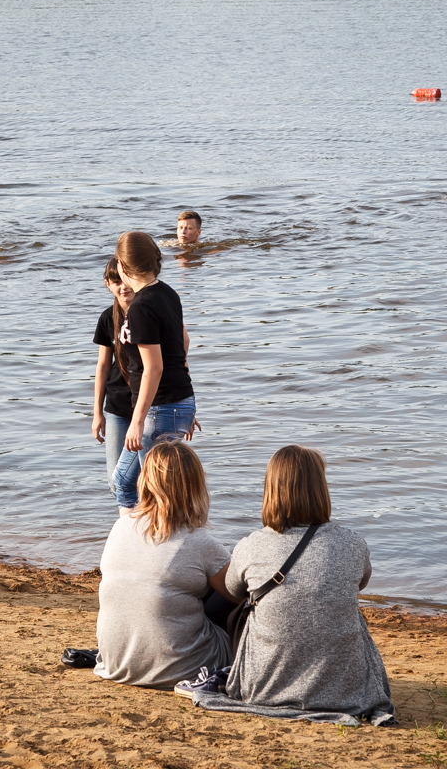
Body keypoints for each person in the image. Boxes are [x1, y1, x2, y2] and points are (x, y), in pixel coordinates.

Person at [186, 445, 395, 724]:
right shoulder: (353, 543)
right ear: (321, 489)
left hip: (263, 686)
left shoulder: (251, 545)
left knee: (244, 596)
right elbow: (359, 583)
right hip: (348, 690)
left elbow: (233, 592)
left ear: (270, 489)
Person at [94, 441, 235, 688]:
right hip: (179, 668)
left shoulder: (121, 526)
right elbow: (240, 593)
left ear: (144, 481)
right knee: (233, 590)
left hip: (114, 663)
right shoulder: (199, 541)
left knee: (180, 584)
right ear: (194, 486)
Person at [110, 231, 196, 515]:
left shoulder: (141, 307)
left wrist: (137, 421)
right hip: (175, 403)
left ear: (122, 266)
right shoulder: (167, 292)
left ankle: (140, 550)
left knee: (132, 483)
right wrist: (183, 402)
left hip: (159, 408)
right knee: (158, 488)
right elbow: (182, 345)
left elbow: (155, 367)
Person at [91, 258, 135, 491]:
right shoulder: (107, 318)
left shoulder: (148, 313)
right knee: (116, 480)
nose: (123, 286)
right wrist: (97, 412)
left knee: (149, 477)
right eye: (116, 281)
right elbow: (102, 366)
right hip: (117, 406)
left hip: (150, 405)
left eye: (126, 279)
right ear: (107, 284)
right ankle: (129, 525)